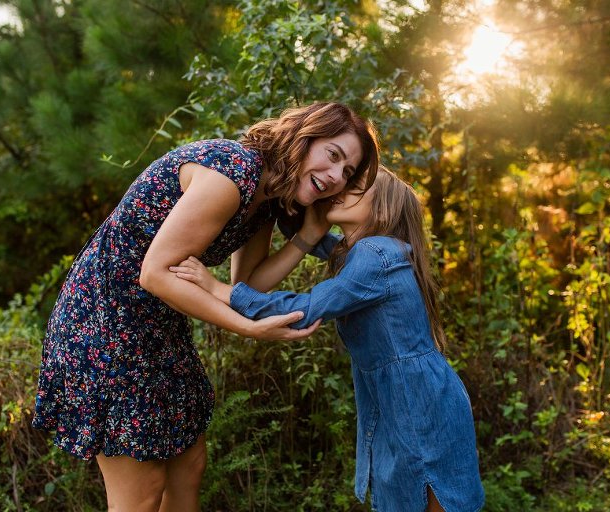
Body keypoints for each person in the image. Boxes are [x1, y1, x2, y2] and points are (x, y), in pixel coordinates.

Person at [32, 102, 380, 512]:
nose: (336, 177)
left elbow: (245, 285)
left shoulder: (267, 197)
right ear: (303, 137)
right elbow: (155, 275)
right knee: (143, 491)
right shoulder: (232, 173)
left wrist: (305, 237)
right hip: (104, 325)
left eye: (347, 172)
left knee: (188, 467)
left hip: (158, 326)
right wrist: (249, 329)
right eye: (333, 156)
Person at [172, 167, 485, 512]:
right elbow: (311, 238)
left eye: (356, 189)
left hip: (419, 402)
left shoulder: (375, 255)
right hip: (416, 395)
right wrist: (285, 202)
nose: (342, 191)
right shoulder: (368, 253)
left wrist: (221, 290)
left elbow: (307, 308)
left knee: (424, 496)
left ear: (381, 210)